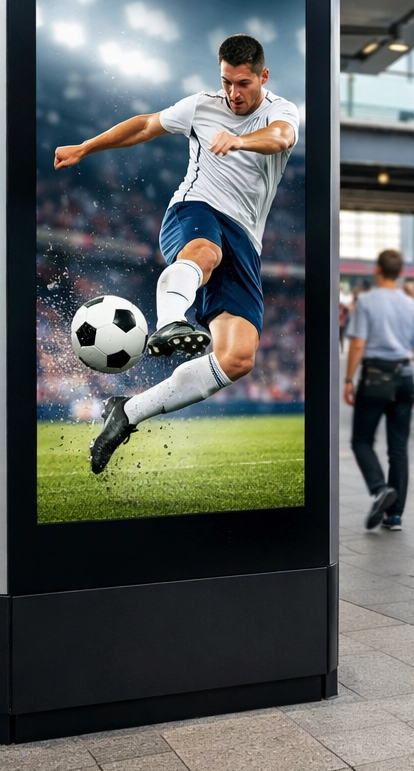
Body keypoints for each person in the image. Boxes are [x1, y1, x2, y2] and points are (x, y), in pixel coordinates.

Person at [54, 34, 297, 474]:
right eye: (226, 82)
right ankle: (170, 322)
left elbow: (280, 138)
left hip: (246, 238)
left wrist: (240, 141)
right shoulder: (201, 106)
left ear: (263, 76)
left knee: (238, 358)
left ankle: (127, 412)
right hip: (195, 209)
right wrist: (86, 147)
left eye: (243, 83)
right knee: (204, 252)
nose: (233, 93)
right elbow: (145, 125)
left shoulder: (281, 111)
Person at [344, 249, 414, 532]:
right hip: (405, 376)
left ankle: (380, 488)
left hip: (375, 378)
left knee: (361, 440)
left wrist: (348, 379)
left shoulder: (367, 301)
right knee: (398, 449)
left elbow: (358, 344)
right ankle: (395, 516)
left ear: (378, 270)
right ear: (400, 272)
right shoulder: (413, 305)